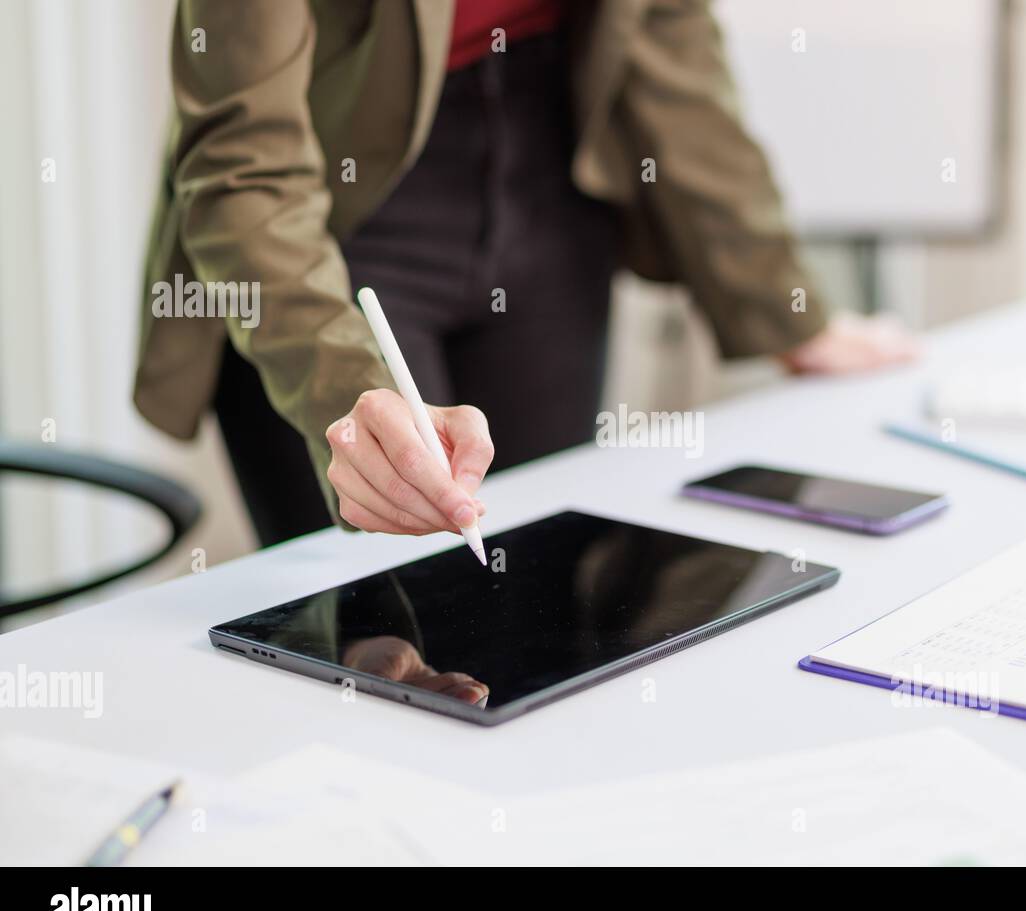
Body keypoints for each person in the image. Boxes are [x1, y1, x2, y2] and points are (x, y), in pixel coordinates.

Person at [136, 0, 917, 547]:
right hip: (331, 214)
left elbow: (670, 43)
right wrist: (346, 391)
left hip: (553, 177)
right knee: (380, 625)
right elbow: (246, 165)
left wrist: (783, 302)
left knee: (541, 598)